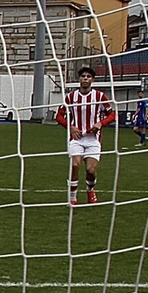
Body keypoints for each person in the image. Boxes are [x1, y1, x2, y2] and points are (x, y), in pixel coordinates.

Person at [56, 65, 116, 205]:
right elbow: (59, 116)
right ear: (79, 79)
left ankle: (90, 190)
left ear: (92, 80)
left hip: (93, 140)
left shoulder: (100, 96)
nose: (85, 79)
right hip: (76, 139)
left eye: (88, 77)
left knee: (90, 170)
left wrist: (100, 124)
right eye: (83, 76)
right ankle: (73, 198)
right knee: (75, 165)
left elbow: (112, 115)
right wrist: (70, 127)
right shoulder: (71, 97)